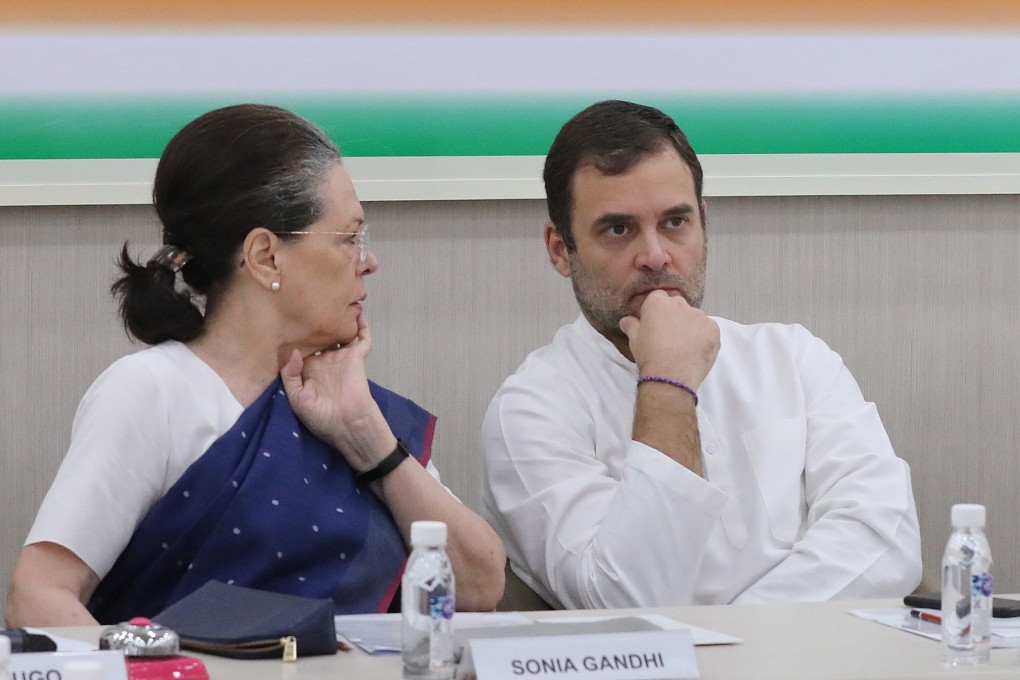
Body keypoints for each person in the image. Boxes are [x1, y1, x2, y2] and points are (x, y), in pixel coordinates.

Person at [6, 103, 505, 626]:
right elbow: (38, 596)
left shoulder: (355, 406)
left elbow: (479, 586)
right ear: (265, 255)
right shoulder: (153, 391)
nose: (368, 260)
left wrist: (368, 440)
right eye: (349, 238)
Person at [481, 100, 922, 609]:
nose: (655, 255)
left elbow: (884, 540)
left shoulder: (795, 358)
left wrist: (740, 640)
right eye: (618, 229)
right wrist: (667, 382)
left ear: (703, 224)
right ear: (560, 249)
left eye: (674, 222)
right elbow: (627, 601)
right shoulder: (530, 410)